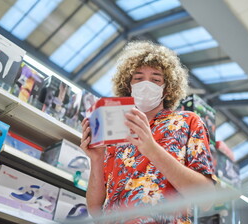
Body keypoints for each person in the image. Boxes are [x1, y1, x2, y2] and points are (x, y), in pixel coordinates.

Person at [80, 41, 215, 223]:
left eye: (156, 79)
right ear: (128, 85)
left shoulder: (187, 122)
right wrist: (96, 159)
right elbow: (96, 211)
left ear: (167, 89)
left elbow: (206, 199)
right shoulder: (115, 131)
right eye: (138, 78)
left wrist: (151, 148)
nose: (146, 84)